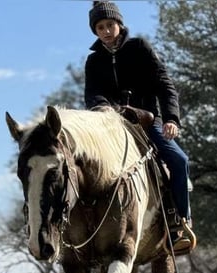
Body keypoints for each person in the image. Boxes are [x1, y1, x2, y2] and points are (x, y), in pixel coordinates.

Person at [84, 0, 196, 255]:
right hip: (111, 127)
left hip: (147, 122)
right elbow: (92, 95)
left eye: (110, 24)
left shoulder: (140, 48)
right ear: (95, 31)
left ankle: (180, 223)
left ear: (119, 24)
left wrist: (171, 119)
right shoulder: (93, 62)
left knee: (179, 160)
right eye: (100, 27)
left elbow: (165, 85)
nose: (106, 30)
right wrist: (103, 109)